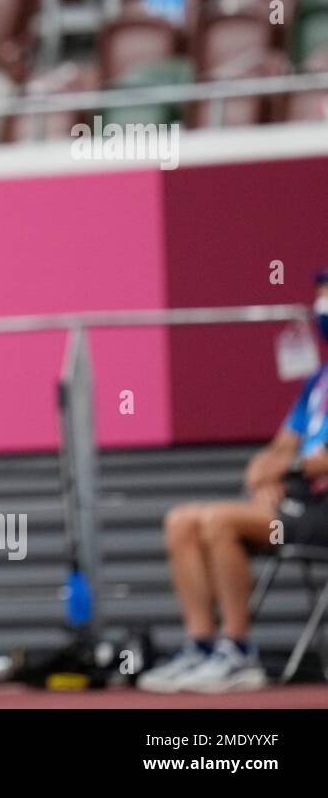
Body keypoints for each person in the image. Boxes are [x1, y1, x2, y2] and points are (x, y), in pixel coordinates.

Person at [138, 272, 328, 693]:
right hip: (293, 507)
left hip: (322, 516)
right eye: (319, 301)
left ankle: (237, 650)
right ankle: (203, 646)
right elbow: (274, 454)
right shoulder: (318, 383)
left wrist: (290, 468)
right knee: (182, 520)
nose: (321, 311)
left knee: (218, 522)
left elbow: (311, 463)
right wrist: (269, 473)